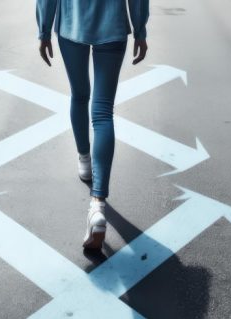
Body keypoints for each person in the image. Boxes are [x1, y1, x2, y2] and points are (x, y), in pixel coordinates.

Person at [36, 0, 150, 249]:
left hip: (71, 25)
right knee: (102, 113)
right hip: (112, 27)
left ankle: (84, 159)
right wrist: (140, 31)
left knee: (79, 96)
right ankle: (97, 203)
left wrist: (44, 31)